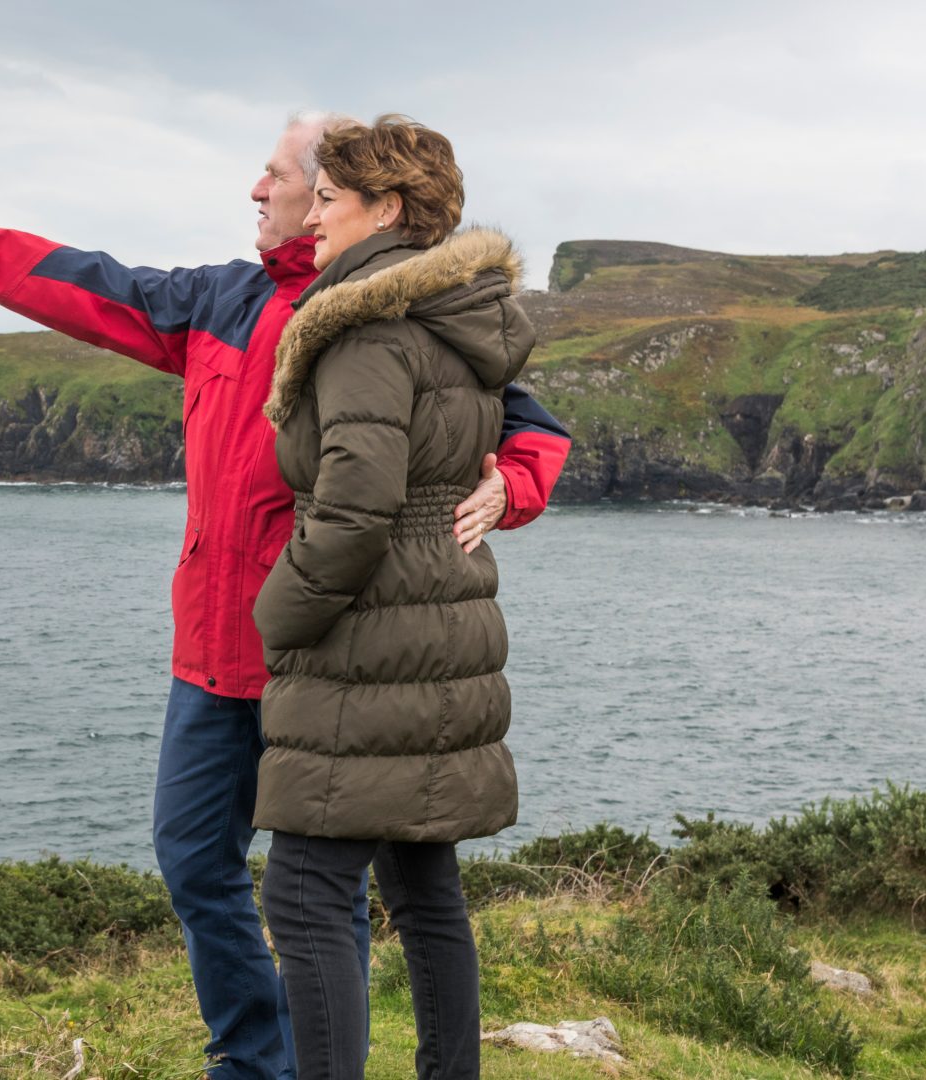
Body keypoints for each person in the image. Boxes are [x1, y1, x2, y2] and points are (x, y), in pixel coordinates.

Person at [0, 113, 569, 1080]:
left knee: (324, 886)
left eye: (281, 179)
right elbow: (90, 285)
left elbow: (514, 415)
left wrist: (513, 486)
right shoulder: (221, 301)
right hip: (216, 654)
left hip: (321, 646)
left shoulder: (374, 317)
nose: (259, 193)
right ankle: (259, 1053)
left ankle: (307, 1061)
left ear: (340, 199)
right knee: (198, 860)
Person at [253, 116, 527, 1079]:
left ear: (388, 211)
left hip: (371, 640)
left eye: (328, 199)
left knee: (304, 894)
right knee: (423, 887)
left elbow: (355, 512)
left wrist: (275, 621)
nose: (311, 217)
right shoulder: (459, 323)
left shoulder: (364, 328)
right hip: (445, 623)